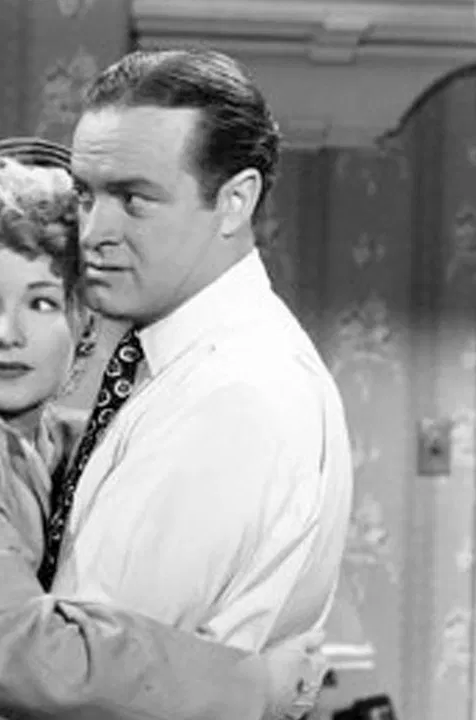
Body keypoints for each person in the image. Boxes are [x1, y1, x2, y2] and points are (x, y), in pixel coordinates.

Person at [0, 138, 325, 720]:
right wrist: (251, 686)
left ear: (82, 321)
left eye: (40, 304)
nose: (5, 334)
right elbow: (19, 652)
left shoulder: (69, 440)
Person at [50, 48, 353, 653]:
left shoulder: (232, 394)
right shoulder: (194, 366)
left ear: (235, 201)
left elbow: (83, 667)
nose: (93, 232)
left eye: (134, 199)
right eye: (85, 195)